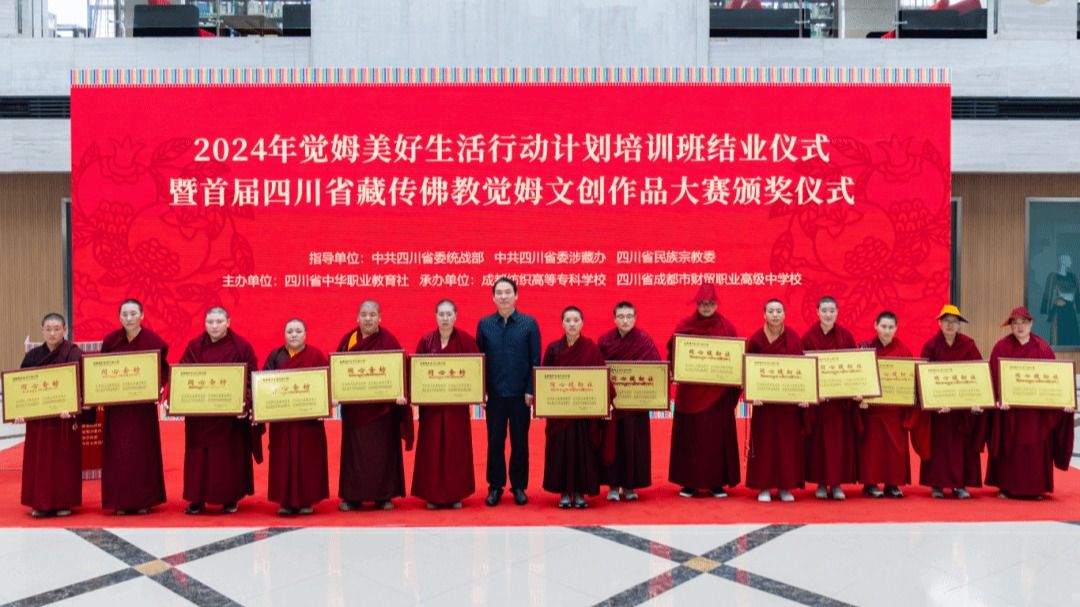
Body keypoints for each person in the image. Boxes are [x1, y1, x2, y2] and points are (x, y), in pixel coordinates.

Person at [176, 307, 260, 514]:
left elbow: (251, 379)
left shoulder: (241, 347)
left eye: (219, 321)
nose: (214, 326)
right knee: (198, 457)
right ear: (205, 323)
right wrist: (177, 399)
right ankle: (197, 499)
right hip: (201, 416)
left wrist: (245, 402)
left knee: (227, 457)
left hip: (229, 418)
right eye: (210, 322)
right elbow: (182, 375)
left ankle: (229, 498)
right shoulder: (195, 346)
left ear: (228, 322)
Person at [986, 306, 1075, 499]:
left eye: (1024, 323)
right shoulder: (1001, 347)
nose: (1020, 327)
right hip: (1011, 411)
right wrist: (999, 399)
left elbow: (1054, 380)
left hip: (1036, 414)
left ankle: (1035, 489)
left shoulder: (1042, 348)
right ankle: (1006, 487)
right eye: (1015, 323)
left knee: (1036, 449)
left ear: (1031, 324)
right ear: (1010, 326)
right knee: (1011, 448)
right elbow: (993, 377)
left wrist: (1063, 401)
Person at [336, 300, 413, 511]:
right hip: (356, 412)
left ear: (380, 318)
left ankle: (384, 497)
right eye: (364, 314)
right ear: (357, 317)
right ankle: (353, 497)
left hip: (382, 413)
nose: (368, 319)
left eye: (372, 315)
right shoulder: (349, 340)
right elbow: (338, 372)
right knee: (355, 455)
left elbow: (401, 370)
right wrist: (335, 394)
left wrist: (401, 392)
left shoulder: (388, 341)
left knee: (382, 453)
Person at [667, 285, 742, 499]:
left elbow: (736, 359)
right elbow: (673, 354)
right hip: (691, 394)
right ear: (696, 304)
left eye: (710, 303)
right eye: (702, 303)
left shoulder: (727, 328)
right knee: (690, 438)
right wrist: (674, 368)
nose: (706, 307)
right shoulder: (685, 327)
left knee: (715, 440)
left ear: (716, 304)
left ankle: (716, 483)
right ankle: (689, 483)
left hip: (717, 394)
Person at [17, 313, 92, 518]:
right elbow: (21, 388)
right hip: (39, 423)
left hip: (64, 420)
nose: (52, 333)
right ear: (42, 330)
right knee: (39, 461)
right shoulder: (33, 357)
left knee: (64, 462)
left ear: (65, 330)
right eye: (48, 329)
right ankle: (40, 503)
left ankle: (63, 502)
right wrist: (19, 412)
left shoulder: (74, 354)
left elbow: (84, 386)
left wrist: (75, 407)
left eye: (57, 329)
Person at [475, 277, 541, 507]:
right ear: (493, 297)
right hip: (494, 395)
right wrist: (480, 390)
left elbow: (535, 360)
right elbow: (479, 361)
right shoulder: (485, 324)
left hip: (520, 396)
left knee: (520, 442)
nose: (503, 296)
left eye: (508, 292)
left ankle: (519, 486)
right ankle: (495, 486)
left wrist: (531, 390)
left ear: (516, 295)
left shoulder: (528, 324)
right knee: (495, 442)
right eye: (499, 293)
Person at [99, 299, 168, 515]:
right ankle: (119, 501)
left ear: (142, 315)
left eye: (133, 314)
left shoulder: (153, 341)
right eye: (125, 314)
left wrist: (158, 386)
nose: (129, 318)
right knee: (118, 452)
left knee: (142, 452)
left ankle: (144, 500)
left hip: (142, 409)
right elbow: (100, 370)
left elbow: (163, 370)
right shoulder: (110, 341)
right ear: (119, 317)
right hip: (117, 408)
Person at [541, 307, 613, 508]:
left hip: (584, 413)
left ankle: (581, 493)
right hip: (560, 412)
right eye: (568, 320)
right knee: (561, 450)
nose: (572, 324)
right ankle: (564, 493)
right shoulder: (553, 349)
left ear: (582, 323)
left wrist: (606, 402)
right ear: (562, 323)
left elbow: (601, 377)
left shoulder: (591, 348)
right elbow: (544, 379)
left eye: (575, 320)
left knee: (584, 451)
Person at [411, 300, 479, 509]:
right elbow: (416, 373)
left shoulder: (466, 341)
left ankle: (455, 494)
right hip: (431, 408)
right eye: (441, 314)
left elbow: (476, 372)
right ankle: (432, 495)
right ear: (436, 316)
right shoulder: (426, 342)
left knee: (455, 448)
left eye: (449, 314)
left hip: (456, 409)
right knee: (431, 449)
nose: (445, 318)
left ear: (456, 316)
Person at [918, 304, 986, 499]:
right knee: (938, 447)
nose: (950, 325)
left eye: (954, 321)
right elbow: (923, 377)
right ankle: (937, 485)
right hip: (939, 410)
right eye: (946, 321)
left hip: (962, 410)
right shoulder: (931, 346)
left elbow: (978, 374)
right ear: (939, 323)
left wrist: (977, 401)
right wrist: (934, 401)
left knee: (961, 447)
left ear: (959, 325)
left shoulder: (968, 345)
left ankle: (960, 485)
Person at [745, 299, 810, 503]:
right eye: (771, 311)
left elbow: (802, 370)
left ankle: (785, 487)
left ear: (784, 314)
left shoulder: (794, 339)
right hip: (764, 405)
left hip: (788, 406)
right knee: (765, 444)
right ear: (764, 314)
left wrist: (805, 394)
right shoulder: (756, 339)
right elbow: (748, 369)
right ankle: (763, 486)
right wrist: (752, 393)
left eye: (778, 311)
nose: (775, 314)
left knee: (787, 445)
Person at [263, 318, 330, 515]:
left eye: (298, 331)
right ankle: (284, 501)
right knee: (283, 460)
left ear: (305, 334)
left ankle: (307, 501)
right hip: (282, 421)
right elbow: (264, 384)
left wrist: (324, 405)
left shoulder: (315, 356)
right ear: (284, 334)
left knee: (307, 460)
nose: (294, 335)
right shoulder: (275, 356)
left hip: (308, 422)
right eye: (290, 331)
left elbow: (326, 383)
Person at [598, 301, 660, 501]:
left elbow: (656, 370)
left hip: (636, 406)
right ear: (614, 319)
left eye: (629, 317)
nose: (625, 321)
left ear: (635, 318)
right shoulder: (605, 341)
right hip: (614, 406)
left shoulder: (644, 341)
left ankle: (630, 486)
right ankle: (613, 487)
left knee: (634, 444)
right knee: (613, 444)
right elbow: (598, 371)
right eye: (621, 317)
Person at [802, 296, 858, 500]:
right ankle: (820, 483)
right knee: (818, 445)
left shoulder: (846, 336)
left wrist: (856, 390)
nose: (828, 314)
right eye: (824, 310)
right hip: (819, 403)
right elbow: (804, 369)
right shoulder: (809, 337)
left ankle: (836, 484)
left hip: (839, 404)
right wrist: (813, 393)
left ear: (837, 312)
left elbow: (854, 367)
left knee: (838, 445)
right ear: (817, 312)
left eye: (832, 310)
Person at [857, 311, 914, 498]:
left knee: (895, 448)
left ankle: (892, 484)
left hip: (894, 410)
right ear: (875, 326)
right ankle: (870, 483)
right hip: (872, 410)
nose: (887, 331)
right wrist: (861, 397)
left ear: (896, 328)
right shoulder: (865, 349)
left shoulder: (904, 352)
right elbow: (859, 377)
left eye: (890, 327)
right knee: (872, 449)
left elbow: (910, 380)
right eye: (883, 326)